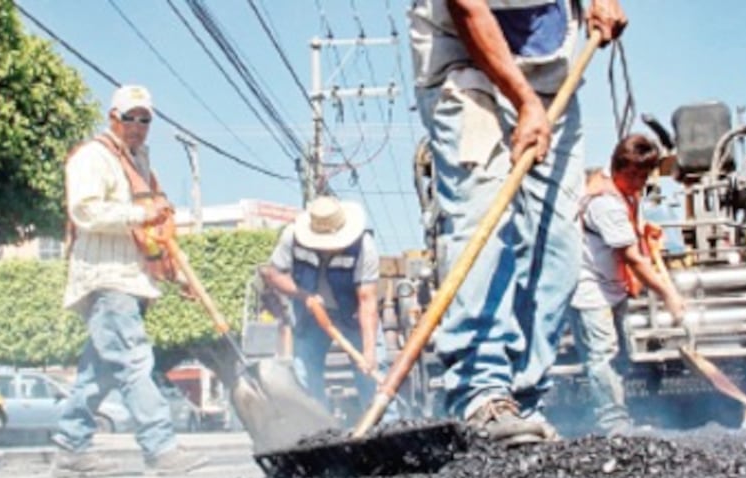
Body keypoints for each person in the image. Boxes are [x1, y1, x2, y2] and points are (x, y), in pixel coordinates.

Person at [409, 0, 628, 445]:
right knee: (482, 226)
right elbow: (468, 9)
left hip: (548, 72)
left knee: (559, 249)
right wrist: (522, 101)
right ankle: (482, 392)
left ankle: (523, 398)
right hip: (465, 65)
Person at [53, 84, 209, 477]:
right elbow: (85, 211)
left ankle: (71, 447)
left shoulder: (139, 165)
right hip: (106, 279)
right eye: (130, 118)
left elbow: (158, 235)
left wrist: (178, 275)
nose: (138, 126)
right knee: (135, 360)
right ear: (113, 118)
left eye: (145, 119)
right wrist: (139, 215)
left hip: (132, 279)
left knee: (99, 371)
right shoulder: (93, 158)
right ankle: (161, 447)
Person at [568, 135, 684, 435]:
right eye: (634, 175)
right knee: (602, 353)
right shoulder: (605, 203)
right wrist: (668, 294)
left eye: (645, 176)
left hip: (613, 286)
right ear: (619, 167)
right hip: (590, 286)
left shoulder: (628, 194)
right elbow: (632, 258)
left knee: (620, 355)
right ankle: (612, 423)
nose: (639, 182)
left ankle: (605, 416)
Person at [260, 196, 389, 414]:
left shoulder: (364, 247)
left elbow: (367, 301)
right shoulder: (291, 237)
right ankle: (318, 427)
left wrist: (368, 351)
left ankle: (383, 425)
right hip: (310, 317)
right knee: (304, 373)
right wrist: (305, 296)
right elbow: (274, 274)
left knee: (373, 375)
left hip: (353, 316)